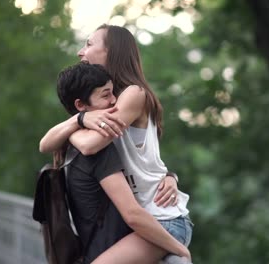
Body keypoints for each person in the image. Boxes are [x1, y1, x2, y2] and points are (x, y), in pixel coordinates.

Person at [40, 24, 193, 263]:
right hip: (140, 223)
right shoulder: (102, 102)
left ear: (112, 53)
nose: (81, 52)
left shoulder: (133, 93)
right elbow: (45, 144)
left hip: (161, 221)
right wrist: (79, 119)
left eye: (89, 44)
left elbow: (89, 145)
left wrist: (76, 124)